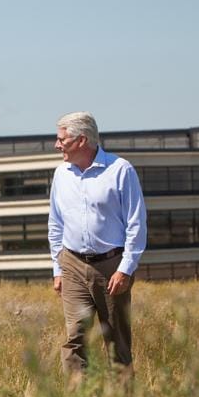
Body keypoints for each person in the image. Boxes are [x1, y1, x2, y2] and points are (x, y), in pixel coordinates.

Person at [48, 112, 147, 381]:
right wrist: (58, 268)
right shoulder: (61, 174)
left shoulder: (120, 170)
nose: (57, 145)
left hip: (111, 266)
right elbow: (55, 224)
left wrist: (125, 269)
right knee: (75, 338)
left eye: (61, 139)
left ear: (81, 140)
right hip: (72, 264)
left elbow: (136, 224)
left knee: (116, 342)